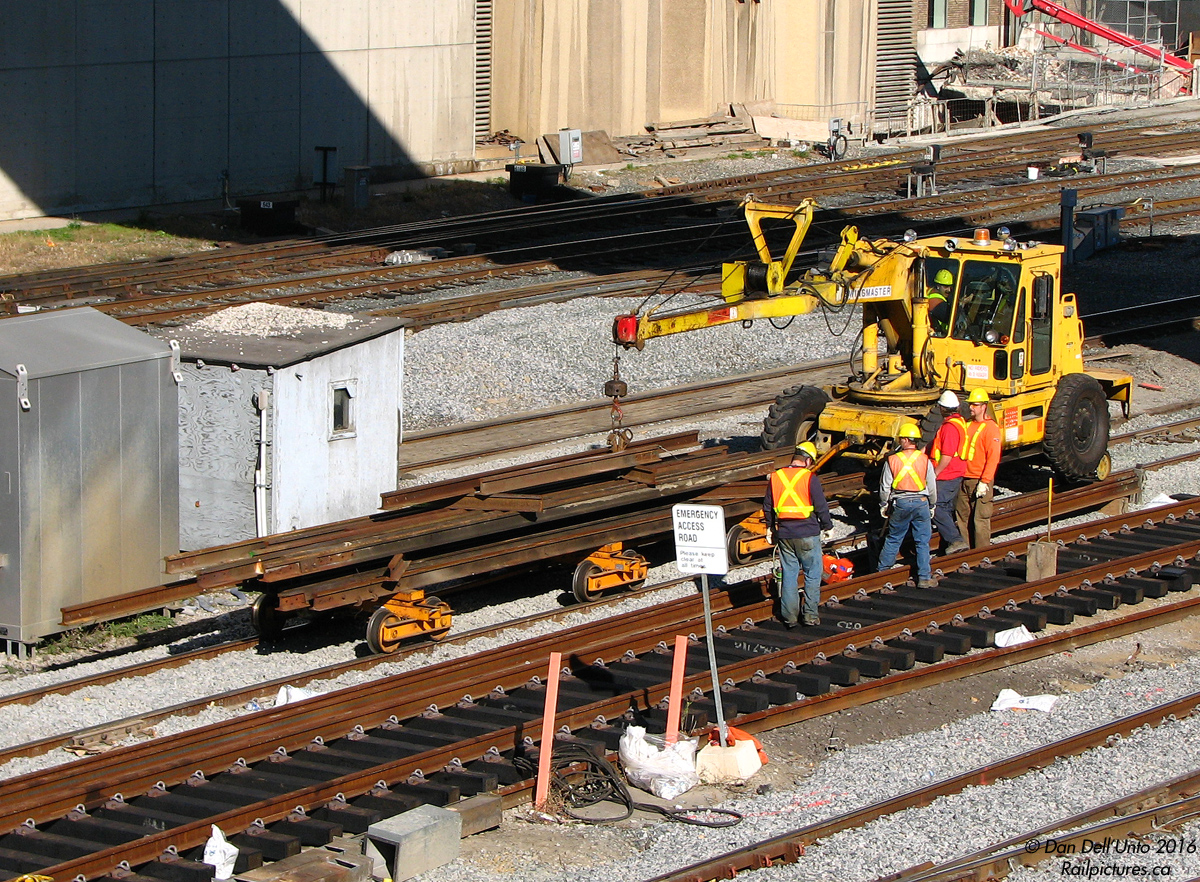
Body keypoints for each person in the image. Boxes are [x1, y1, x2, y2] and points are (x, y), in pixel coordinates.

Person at [764, 442, 833, 628]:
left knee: (789, 573)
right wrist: (828, 526)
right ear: (808, 460)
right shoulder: (809, 478)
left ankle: (790, 617)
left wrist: (770, 528)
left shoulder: (776, 477)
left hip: (785, 534)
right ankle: (810, 615)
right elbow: (821, 505)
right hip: (808, 533)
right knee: (812, 574)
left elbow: (768, 506)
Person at [877, 422, 938, 588]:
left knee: (894, 538)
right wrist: (932, 504)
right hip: (922, 502)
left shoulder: (892, 460)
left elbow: (885, 487)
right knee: (922, 541)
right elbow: (931, 486)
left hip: (901, 502)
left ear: (904, 440)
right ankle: (924, 577)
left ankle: (882, 574)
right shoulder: (925, 460)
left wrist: (884, 504)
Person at [955, 388, 1002, 548]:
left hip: (979, 480)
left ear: (983, 406)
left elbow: (993, 457)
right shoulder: (967, 425)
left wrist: (985, 481)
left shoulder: (991, 428)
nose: (971, 408)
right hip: (963, 478)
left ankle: (981, 554)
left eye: (974, 405)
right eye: (970, 404)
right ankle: (965, 551)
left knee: (980, 519)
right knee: (962, 517)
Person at [927, 390, 970, 555]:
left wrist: (935, 473)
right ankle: (949, 542)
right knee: (945, 506)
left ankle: (955, 540)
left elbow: (946, 455)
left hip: (948, 474)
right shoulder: (958, 423)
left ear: (942, 408)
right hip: (954, 472)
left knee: (937, 507)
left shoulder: (949, 428)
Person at [927, 268, 954, 335]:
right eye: (946, 287)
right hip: (939, 336)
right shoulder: (935, 301)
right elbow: (951, 318)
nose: (949, 290)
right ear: (938, 286)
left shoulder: (930, 291)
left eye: (950, 287)